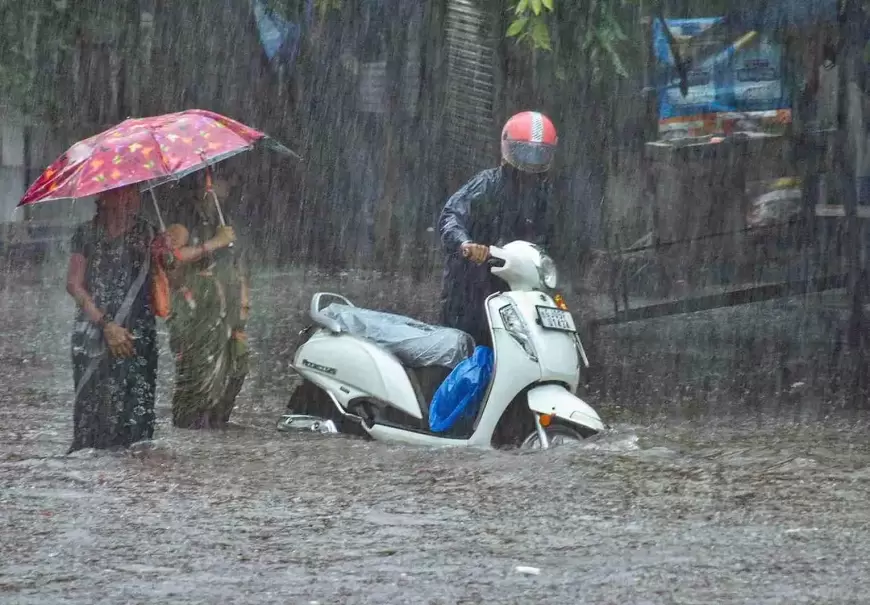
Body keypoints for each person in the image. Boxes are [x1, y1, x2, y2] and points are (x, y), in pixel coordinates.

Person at [438, 111, 558, 347]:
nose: (531, 161)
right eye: (525, 152)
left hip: (519, 287)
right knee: (465, 349)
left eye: (538, 153)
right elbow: (451, 215)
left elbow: (548, 239)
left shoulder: (543, 195)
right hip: (473, 286)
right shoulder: (487, 184)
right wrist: (466, 244)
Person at [65, 185, 159, 453]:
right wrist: (106, 324)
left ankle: (132, 475)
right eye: (122, 192)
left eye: (134, 192)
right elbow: (73, 284)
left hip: (137, 335)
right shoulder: (86, 233)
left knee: (136, 420)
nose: (130, 198)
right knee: (92, 412)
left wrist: (167, 256)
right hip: (94, 333)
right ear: (103, 197)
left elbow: (166, 286)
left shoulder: (149, 233)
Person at [159, 173, 250, 429]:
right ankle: (191, 430)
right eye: (224, 178)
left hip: (227, 309)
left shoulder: (223, 217)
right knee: (198, 373)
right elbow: (172, 259)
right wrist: (214, 243)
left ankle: (217, 428)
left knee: (236, 367)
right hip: (197, 310)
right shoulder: (185, 216)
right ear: (206, 182)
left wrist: (243, 302)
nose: (231, 183)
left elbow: (238, 263)